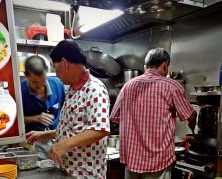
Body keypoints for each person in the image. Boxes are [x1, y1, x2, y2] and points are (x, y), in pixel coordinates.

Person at [26, 39, 110, 178]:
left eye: (55, 66)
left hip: (84, 174)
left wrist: (63, 145)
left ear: (64, 63)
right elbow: (73, 129)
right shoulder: (73, 90)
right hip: (68, 171)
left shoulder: (94, 89)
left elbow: (99, 129)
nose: (56, 73)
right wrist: (44, 135)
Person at [110, 48, 197, 179]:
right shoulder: (171, 86)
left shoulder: (128, 86)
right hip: (157, 163)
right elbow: (189, 115)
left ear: (145, 67)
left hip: (131, 161)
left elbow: (114, 117)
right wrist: (193, 119)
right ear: (165, 65)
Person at [21, 55, 65, 159]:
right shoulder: (20, 91)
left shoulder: (57, 84)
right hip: (35, 144)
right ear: (26, 76)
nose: (40, 85)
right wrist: (36, 118)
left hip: (58, 138)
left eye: (43, 80)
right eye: (35, 82)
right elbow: (15, 122)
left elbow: (65, 111)